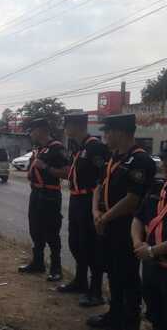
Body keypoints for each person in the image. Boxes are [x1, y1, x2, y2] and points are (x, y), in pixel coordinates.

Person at [87, 113, 156, 330]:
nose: (105, 135)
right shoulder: (112, 157)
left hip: (126, 225)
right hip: (107, 222)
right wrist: (96, 211)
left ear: (121, 132)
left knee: (127, 274)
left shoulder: (140, 160)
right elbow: (98, 185)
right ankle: (114, 313)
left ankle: (129, 319)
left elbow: (133, 199)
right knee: (113, 270)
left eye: (108, 131)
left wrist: (104, 218)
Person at [57, 113, 109, 307]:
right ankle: (80, 281)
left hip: (89, 200)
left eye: (67, 126)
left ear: (76, 126)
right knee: (76, 242)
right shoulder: (79, 148)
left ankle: (96, 291)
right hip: (77, 198)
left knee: (92, 245)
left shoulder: (95, 147)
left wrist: (98, 207)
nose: (65, 130)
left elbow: (102, 178)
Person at [18, 118, 70, 282]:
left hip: (50, 195)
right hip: (36, 193)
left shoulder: (57, 148)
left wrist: (45, 168)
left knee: (51, 232)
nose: (31, 134)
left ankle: (56, 269)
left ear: (41, 130)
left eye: (32, 130)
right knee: (35, 229)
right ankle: (38, 262)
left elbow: (67, 173)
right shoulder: (39, 149)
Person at [131, 151, 167, 330]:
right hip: (151, 266)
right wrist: (138, 242)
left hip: (158, 261)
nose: (163, 166)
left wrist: (152, 251)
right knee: (155, 314)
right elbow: (138, 218)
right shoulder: (157, 188)